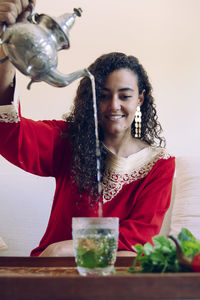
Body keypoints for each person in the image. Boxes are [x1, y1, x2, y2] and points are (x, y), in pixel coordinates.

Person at [0, 0, 175, 257]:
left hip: (114, 280)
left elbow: (137, 238)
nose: (113, 105)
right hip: (54, 275)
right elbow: (9, 134)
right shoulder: (68, 141)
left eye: (124, 96)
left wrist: (64, 248)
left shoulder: (160, 164)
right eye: (103, 95)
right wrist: (8, 41)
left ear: (140, 99)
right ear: (91, 98)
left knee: (130, 257)